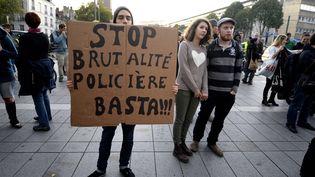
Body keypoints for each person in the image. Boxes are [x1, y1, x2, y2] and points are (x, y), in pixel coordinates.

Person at [67, 7, 136, 177]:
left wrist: (170, 88)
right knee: (107, 136)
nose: (125, 21)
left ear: (133, 22)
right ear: (113, 21)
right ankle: (101, 168)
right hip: (109, 100)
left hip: (131, 102)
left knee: (128, 137)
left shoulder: (141, 47)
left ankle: (124, 166)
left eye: (128, 18)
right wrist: (75, 84)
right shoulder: (102, 45)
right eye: (120, 17)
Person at [190, 17, 243, 157]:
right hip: (210, 92)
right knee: (203, 116)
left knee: (219, 120)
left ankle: (212, 142)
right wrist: (203, 88)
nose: (229, 30)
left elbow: (238, 69)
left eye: (231, 28)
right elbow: (204, 70)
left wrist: (234, 89)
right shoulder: (211, 47)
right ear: (218, 30)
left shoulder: (237, 47)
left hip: (228, 94)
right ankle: (196, 140)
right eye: (226, 28)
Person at [173, 18, 210, 163]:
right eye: (201, 27)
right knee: (180, 119)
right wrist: (195, 89)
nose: (204, 30)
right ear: (194, 28)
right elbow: (183, 69)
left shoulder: (203, 49)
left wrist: (204, 89)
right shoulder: (184, 45)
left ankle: (182, 143)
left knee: (189, 119)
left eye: (206, 29)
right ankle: (176, 147)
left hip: (198, 92)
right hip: (183, 88)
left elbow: (204, 71)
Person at [17, 12, 53, 131]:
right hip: (45, 67)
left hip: (34, 69)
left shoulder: (25, 38)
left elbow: (22, 56)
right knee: (44, 93)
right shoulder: (44, 36)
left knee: (37, 96)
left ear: (27, 23)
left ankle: (44, 123)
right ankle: (47, 116)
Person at [286, 33, 315, 133]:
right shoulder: (307, 53)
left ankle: (302, 121)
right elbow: (305, 70)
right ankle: (290, 123)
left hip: (311, 84)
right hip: (303, 83)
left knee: (307, 104)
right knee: (296, 104)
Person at [0, 27, 22, 128]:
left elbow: (15, 54)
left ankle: (14, 120)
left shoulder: (4, 36)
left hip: (4, 74)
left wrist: (1, 51)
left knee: (8, 98)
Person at [261, 34, 288, 106]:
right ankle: (264, 100)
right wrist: (279, 50)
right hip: (272, 69)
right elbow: (272, 57)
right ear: (281, 40)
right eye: (285, 39)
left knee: (276, 85)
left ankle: (271, 99)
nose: (286, 41)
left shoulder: (282, 47)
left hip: (278, 69)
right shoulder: (273, 47)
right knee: (268, 85)